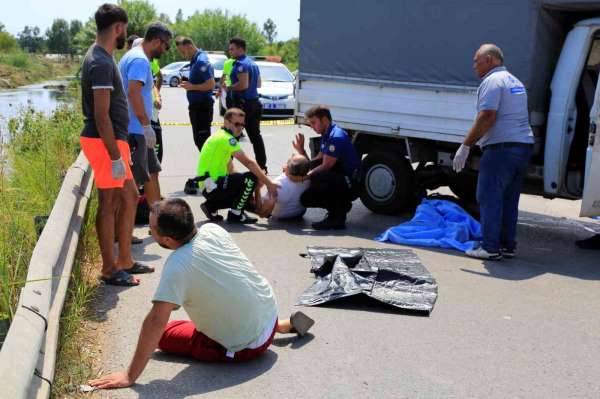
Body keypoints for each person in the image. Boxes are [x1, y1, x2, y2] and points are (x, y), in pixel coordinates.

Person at [88, 198, 315, 389]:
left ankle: (259, 333)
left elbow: (156, 321)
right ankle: (281, 325)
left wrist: (130, 376)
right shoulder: (212, 229)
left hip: (247, 347)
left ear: (166, 240)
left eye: (152, 230)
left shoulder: (178, 264)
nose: (150, 232)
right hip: (269, 313)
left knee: (163, 336)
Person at [79, 3, 149, 286]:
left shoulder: (104, 57)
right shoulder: (100, 61)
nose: (125, 36)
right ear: (118, 28)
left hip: (112, 142)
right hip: (102, 142)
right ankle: (110, 268)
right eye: (125, 30)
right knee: (108, 203)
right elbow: (100, 114)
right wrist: (114, 156)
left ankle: (125, 261)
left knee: (131, 196)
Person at [453, 44, 534, 260]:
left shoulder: (492, 81)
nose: (474, 66)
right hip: (522, 147)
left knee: (489, 196)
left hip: (502, 149)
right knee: (508, 199)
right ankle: (507, 245)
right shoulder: (514, 81)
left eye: (476, 60)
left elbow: (487, 116)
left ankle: (489, 247)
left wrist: (466, 145)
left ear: (489, 59)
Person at [119, 22, 172, 207]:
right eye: (166, 45)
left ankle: (157, 219)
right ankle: (123, 232)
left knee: (151, 173)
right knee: (132, 184)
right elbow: (133, 93)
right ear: (157, 41)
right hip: (135, 129)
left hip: (138, 128)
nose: (166, 50)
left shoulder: (136, 57)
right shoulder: (140, 60)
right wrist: (146, 125)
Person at [197, 108, 279, 224]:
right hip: (213, 186)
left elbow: (230, 168)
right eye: (236, 124)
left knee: (244, 185)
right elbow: (249, 163)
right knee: (252, 177)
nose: (240, 128)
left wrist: (245, 190)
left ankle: (211, 206)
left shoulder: (219, 136)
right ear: (226, 122)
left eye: (242, 125)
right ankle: (236, 214)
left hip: (209, 187)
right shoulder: (227, 139)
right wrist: (268, 183)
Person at [293, 105, 362, 230]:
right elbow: (317, 162)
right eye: (310, 124)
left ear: (324, 120)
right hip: (341, 178)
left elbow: (325, 166)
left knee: (318, 177)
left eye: (314, 123)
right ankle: (340, 209)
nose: (312, 127)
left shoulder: (335, 137)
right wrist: (301, 151)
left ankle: (336, 216)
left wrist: (304, 177)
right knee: (306, 199)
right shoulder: (327, 134)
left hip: (352, 183)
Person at [228, 37, 267, 172]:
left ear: (240, 49)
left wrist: (229, 87)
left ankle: (226, 167)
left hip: (243, 105)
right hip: (254, 103)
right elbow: (258, 84)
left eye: (232, 48)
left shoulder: (241, 64)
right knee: (255, 136)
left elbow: (243, 85)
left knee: (231, 136)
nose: (230, 51)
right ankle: (262, 167)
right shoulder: (252, 63)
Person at [175, 36, 215, 153]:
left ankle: (212, 169)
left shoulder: (201, 61)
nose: (183, 55)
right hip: (197, 106)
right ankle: (211, 167)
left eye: (183, 52)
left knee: (202, 140)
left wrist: (191, 86)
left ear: (189, 47)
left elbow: (211, 84)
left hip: (202, 106)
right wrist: (189, 82)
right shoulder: (195, 60)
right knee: (200, 140)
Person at [253, 154, 311, 220]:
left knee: (250, 199)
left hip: (281, 216)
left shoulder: (276, 185)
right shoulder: (309, 178)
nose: (292, 155)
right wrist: (302, 149)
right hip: (299, 213)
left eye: (290, 160)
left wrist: (257, 188)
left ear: (287, 168)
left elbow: (262, 214)